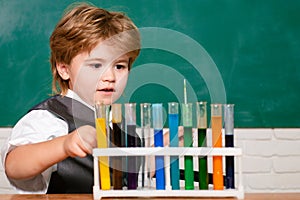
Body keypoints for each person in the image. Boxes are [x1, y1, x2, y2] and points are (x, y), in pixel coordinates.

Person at [1, 2, 140, 194]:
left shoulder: (118, 122)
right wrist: (64, 145)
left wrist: (157, 153)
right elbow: (15, 165)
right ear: (64, 69)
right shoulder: (50, 119)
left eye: (120, 66)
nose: (110, 76)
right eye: (96, 65)